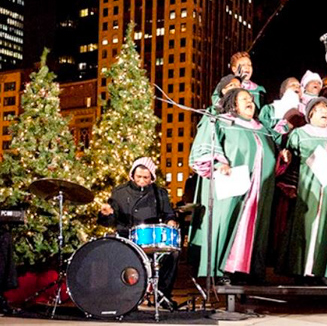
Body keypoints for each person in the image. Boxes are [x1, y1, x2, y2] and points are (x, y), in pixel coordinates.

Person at [188, 87, 279, 282]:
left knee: (255, 226)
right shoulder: (223, 122)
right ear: (233, 104)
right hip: (233, 184)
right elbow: (206, 146)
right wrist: (220, 162)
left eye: (252, 99)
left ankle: (249, 271)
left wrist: (283, 158)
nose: (250, 102)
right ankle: (221, 271)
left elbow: (272, 156)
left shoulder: (262, 129)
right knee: (229, 222)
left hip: (259, 188)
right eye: (244, 98)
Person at [279, 98, 327, 281]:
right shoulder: (299, 134)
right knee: (305, 224)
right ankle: (301, 270)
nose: (325, 113)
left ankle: (325, 271)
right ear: (311, 113)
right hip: (309, 187)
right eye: (321, 109)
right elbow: (291, 160)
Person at [98, 157, 180, 305]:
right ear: (132, 175)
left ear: (152, 178)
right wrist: (106, 214)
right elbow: (111, 221)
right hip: (127, 238)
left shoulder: (159, 193)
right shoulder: (119, 193)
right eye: (139, 177)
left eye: (146, 177)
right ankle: (126, 296)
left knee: (173, 253)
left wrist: (171, 221)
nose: (142, 180)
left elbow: (169, 213)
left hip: (152, 239)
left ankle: (163, 295)